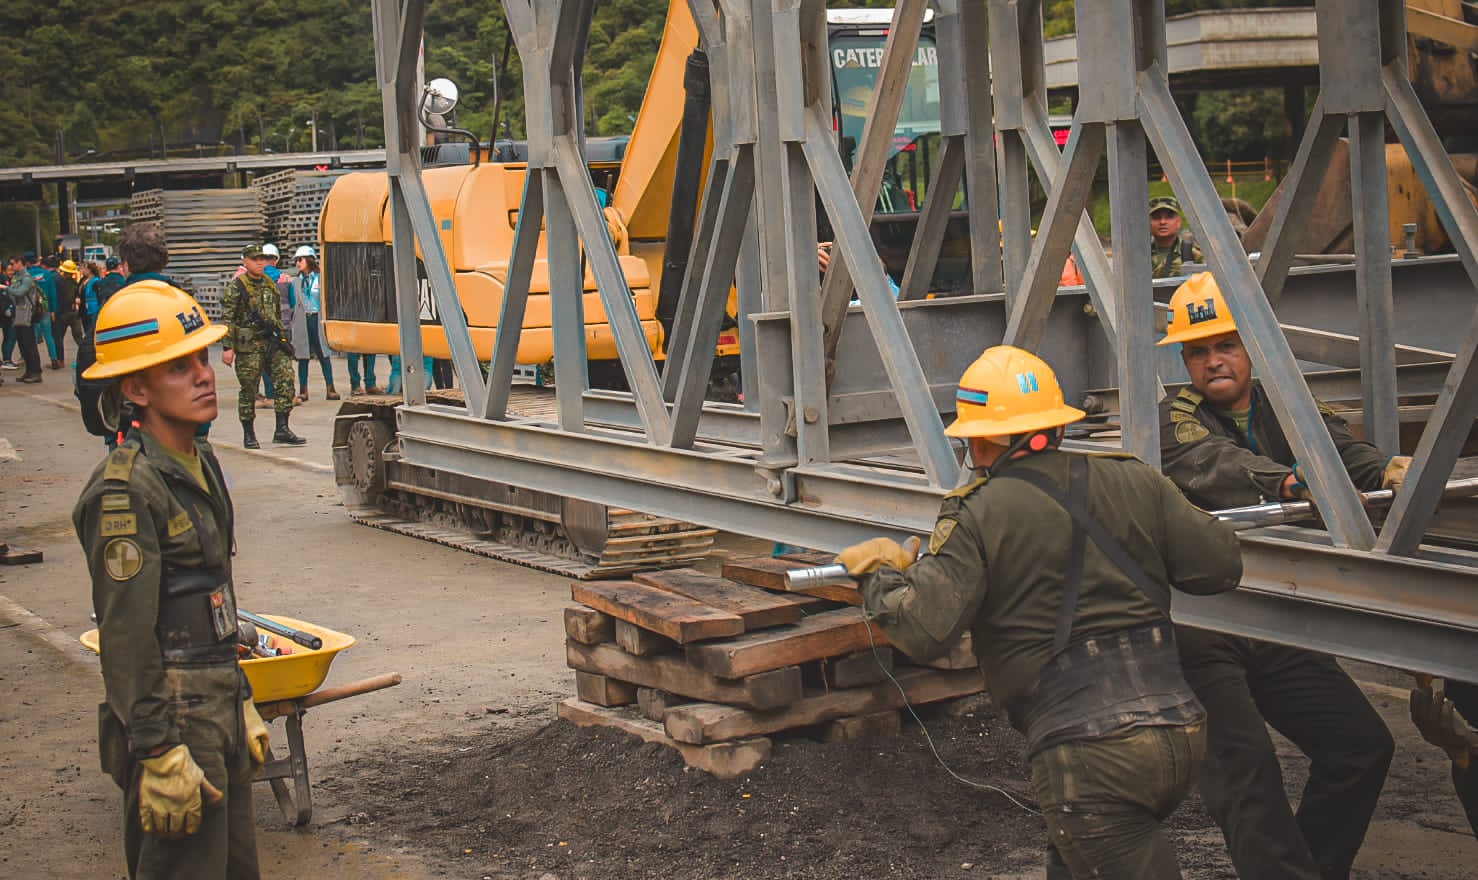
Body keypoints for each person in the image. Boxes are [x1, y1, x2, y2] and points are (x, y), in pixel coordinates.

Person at [839, 345, 1243, 879]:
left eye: (972, 440)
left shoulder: (979, 511)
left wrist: (879, 577)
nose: (972, 453)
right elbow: (1218, 566)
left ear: (990, 439)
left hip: (1089, 758)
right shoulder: (1135, 478)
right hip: (1179, 731)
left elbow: (922, 629)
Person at [1157, 272, 1399, 879]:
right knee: (1249, 783)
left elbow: (1338, 450)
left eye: (1226, 346)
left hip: (1278, 617)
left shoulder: (1286, 401)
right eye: (1198, 351)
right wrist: (1290, 482)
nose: (1213, 362)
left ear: (1252, 349)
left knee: (1359, 747)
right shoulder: (1172, 418)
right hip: (1202, 625)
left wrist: (1388, 470)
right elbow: (1210, 464)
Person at [73, 280, 268, 880]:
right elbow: (127, 637)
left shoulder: (199, 459)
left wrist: (241, 698)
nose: (204, 375)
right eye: (179, 368)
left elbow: (212, 591)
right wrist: (157, 750)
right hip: (175, 717)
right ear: (135, 388)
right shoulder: (126, 493)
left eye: (204, 358)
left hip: (216, 704)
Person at [221, 243, 305, 449]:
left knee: (286, 380)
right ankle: (249, 433)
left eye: (263, 259)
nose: (260, 263)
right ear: (245, 261)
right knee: (249, 388)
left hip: (272, 342)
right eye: (255, 259)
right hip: (249, 345)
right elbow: (228, 319)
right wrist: (227, 347)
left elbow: (277, 314)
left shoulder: (269, 283)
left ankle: (282, 428)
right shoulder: (236, 287)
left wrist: (283, 339)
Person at [288, 246, 337, 402]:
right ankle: (303, 391)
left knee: (324, 355)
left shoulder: (322, 278)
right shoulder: (295, 282)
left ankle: (330, 388)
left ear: (309, 260)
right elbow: (292, 303)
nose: (297, 263)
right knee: (303, 356)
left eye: (300, 260)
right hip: (303, 319)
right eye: (296, 260)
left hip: (318, 318)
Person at [5, 255, 45, 382]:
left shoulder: (26, 278)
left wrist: (6, 288)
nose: (11, 266)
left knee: (29, 344)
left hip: (27, 314)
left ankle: (36, 372)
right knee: (22, 344)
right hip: (18, 315)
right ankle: (28, 371)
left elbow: (20, 292)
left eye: (13, 263)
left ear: (20, 263)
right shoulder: (17, 278)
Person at [1149, 195, 1201, 280]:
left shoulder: (1192, 254)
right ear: (1149, 223)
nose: (1162, 222)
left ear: (1178, 222)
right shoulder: (1139, 256)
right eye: (1157, 217)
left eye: (1169, 217)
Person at [24, 251, 61, 369]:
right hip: (45, 307)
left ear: (27, 262)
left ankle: (33, 362)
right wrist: (53, 310)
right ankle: (54, 359)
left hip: (30, 309)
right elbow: (52, 293)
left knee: (32, 337)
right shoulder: (46, 274)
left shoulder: (26, 274)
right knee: (48, 335)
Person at [53, 258, 86, 364]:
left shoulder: (59, 282)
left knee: (59, 337)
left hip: (63, 313)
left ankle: (60, 360)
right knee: (78, 337)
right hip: (74, 313)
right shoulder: (74, 283)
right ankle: (86, 358)